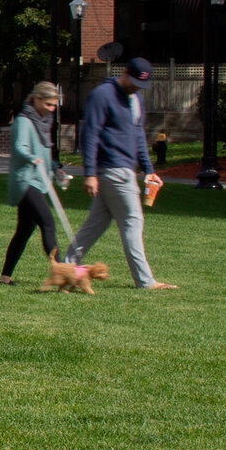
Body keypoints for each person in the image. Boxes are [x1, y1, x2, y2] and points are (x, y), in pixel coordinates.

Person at [70, 56, 176, 291]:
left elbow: (138, 136)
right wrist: (89, 173)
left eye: (142, 84)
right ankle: (145, 281)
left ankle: (66, 265)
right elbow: (90, 135)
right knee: (133, 221)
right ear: (125, 72)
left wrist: (148, 169)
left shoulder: (135, 99)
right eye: (136, 81)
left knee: (96, 224)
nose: (139, 87)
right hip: (112, 169)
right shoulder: (102, 95)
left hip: (126, 169)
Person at [0, 81, 65, 283]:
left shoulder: (45, 120)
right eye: (48, 104)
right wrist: (31, 158)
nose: (51, 109)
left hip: (40, 180)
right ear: (36, 99)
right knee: (48, 222)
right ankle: (62, 272)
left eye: (54, 105)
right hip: (26, 181)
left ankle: (5, 277)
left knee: (24, 231)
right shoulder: (24, 121)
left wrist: (54, 166)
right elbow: (20, 147)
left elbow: (45, 150)